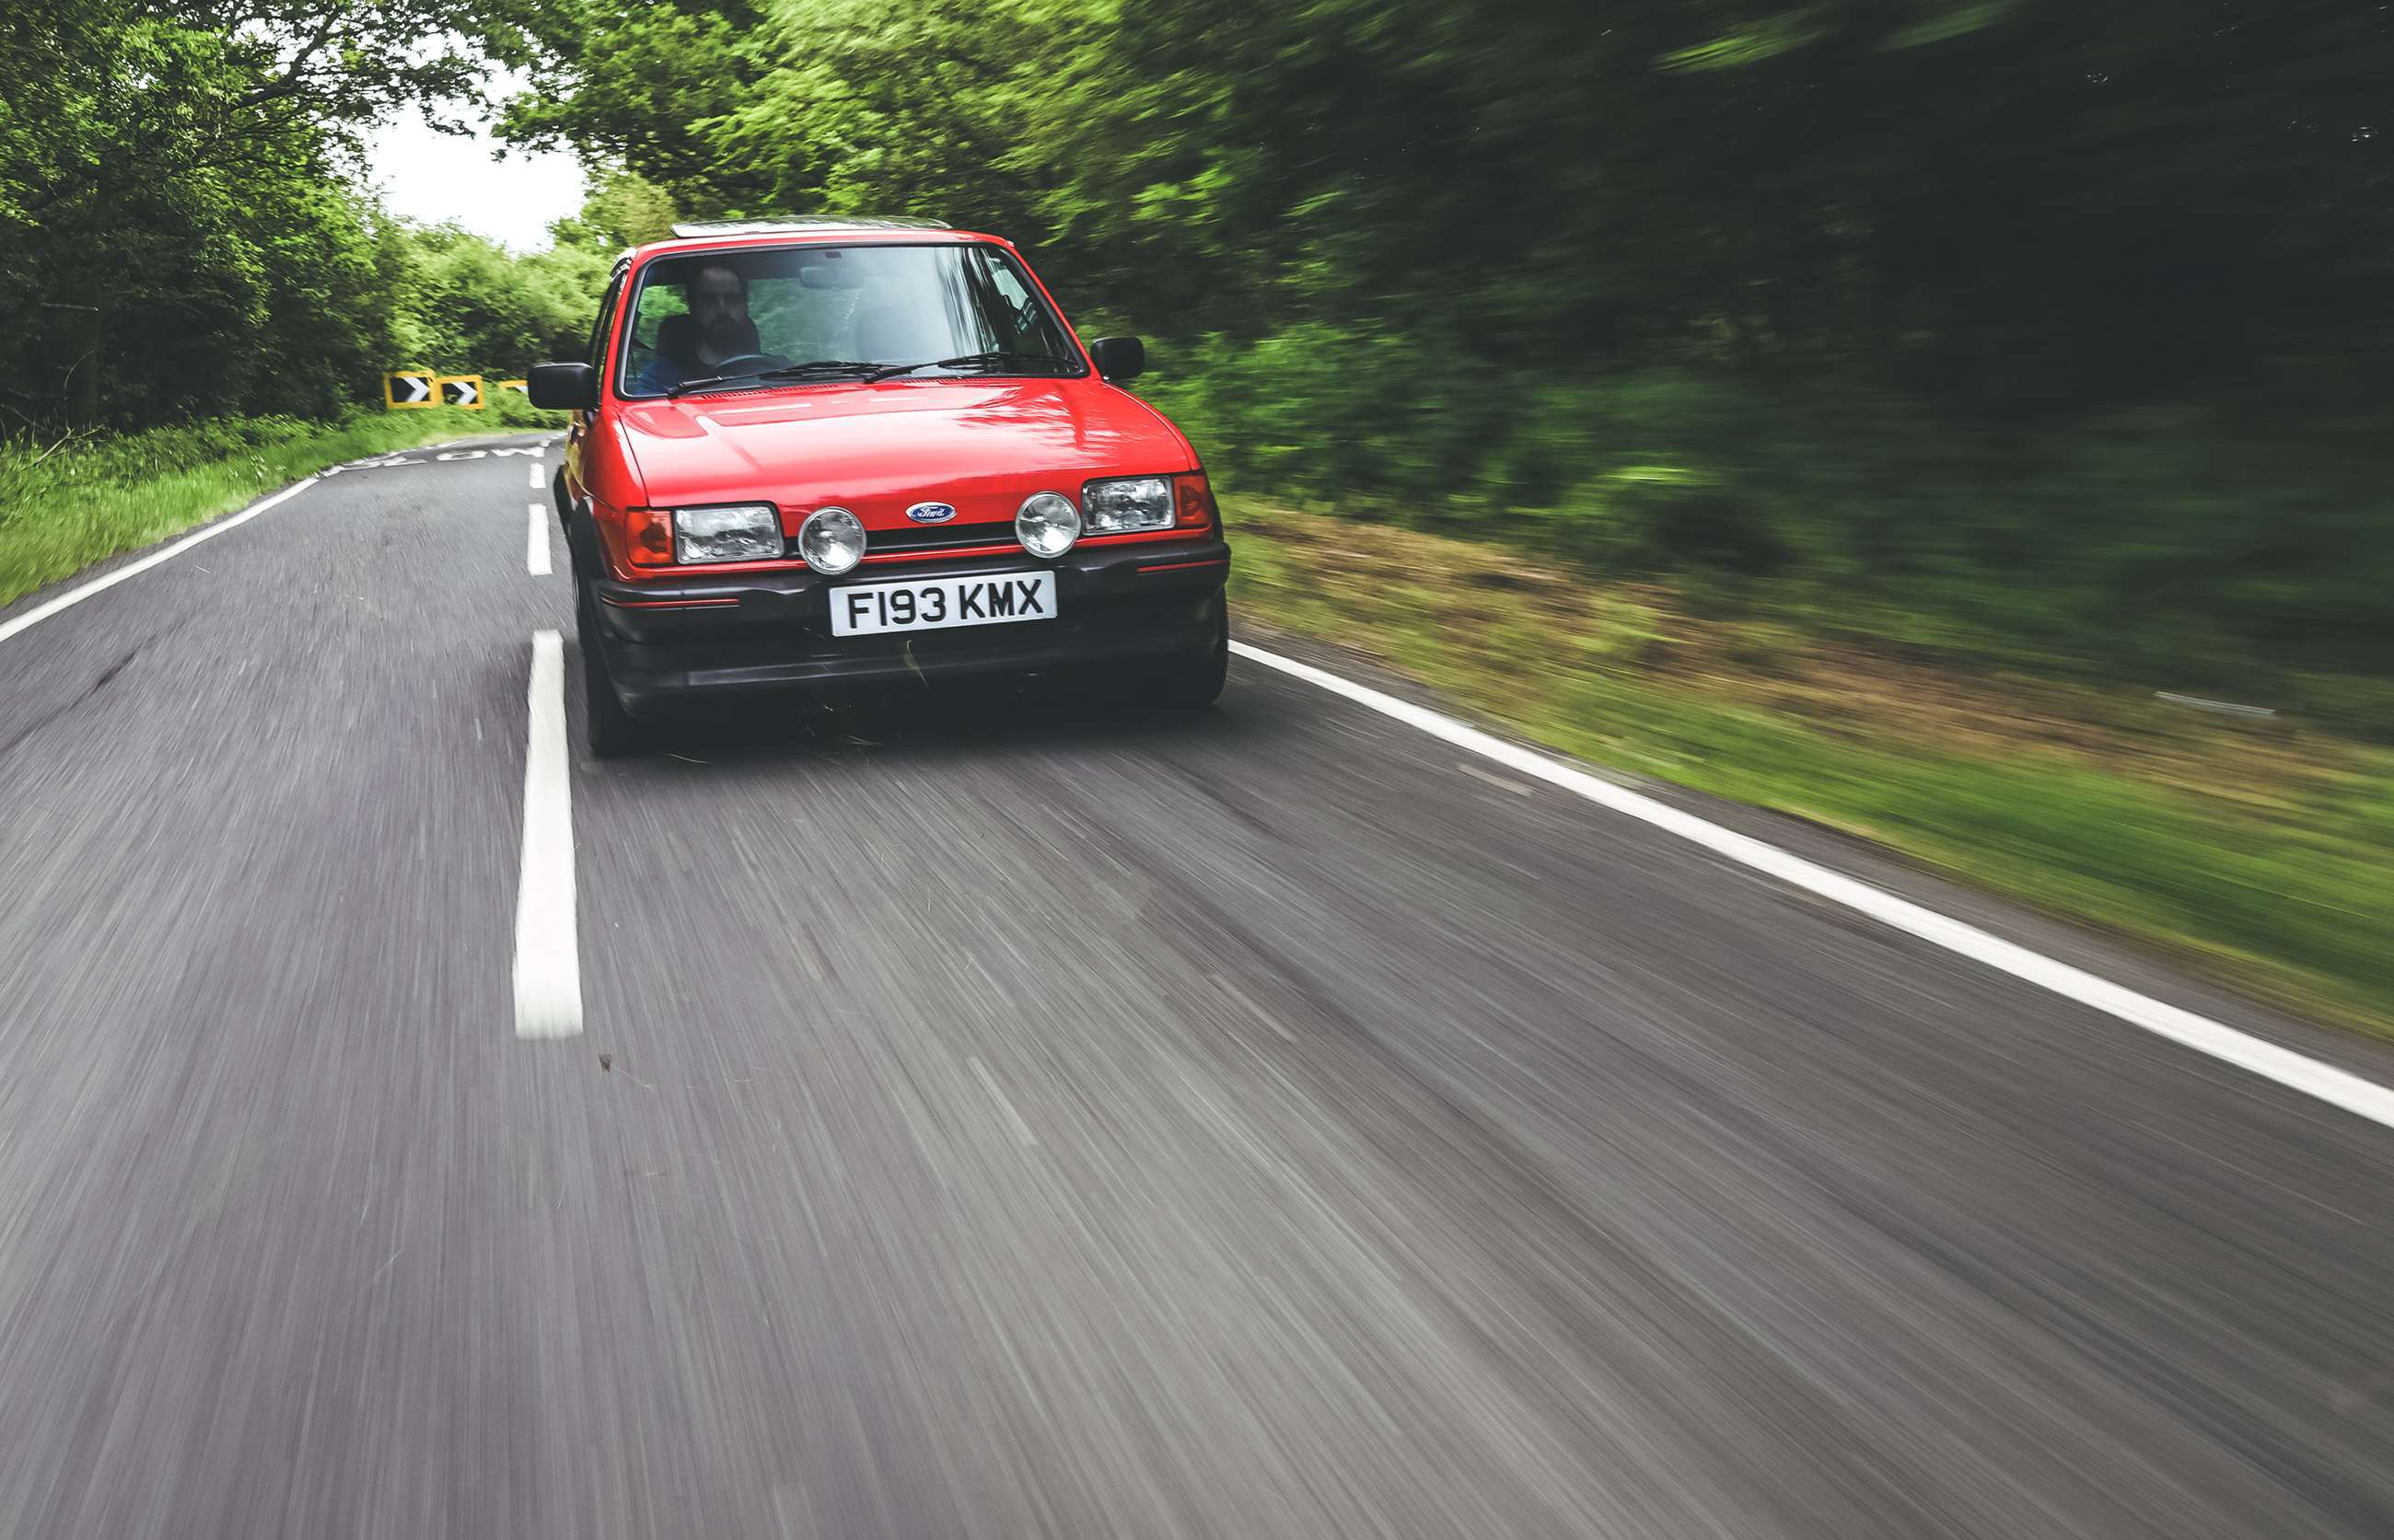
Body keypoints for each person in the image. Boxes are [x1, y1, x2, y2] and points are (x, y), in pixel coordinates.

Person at [633, 263, 769, 393]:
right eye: (710, 300)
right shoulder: (662, 378)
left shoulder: (777, 371)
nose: (723, 310)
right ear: (694, 308)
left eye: (732, 299)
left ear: (745, 306)